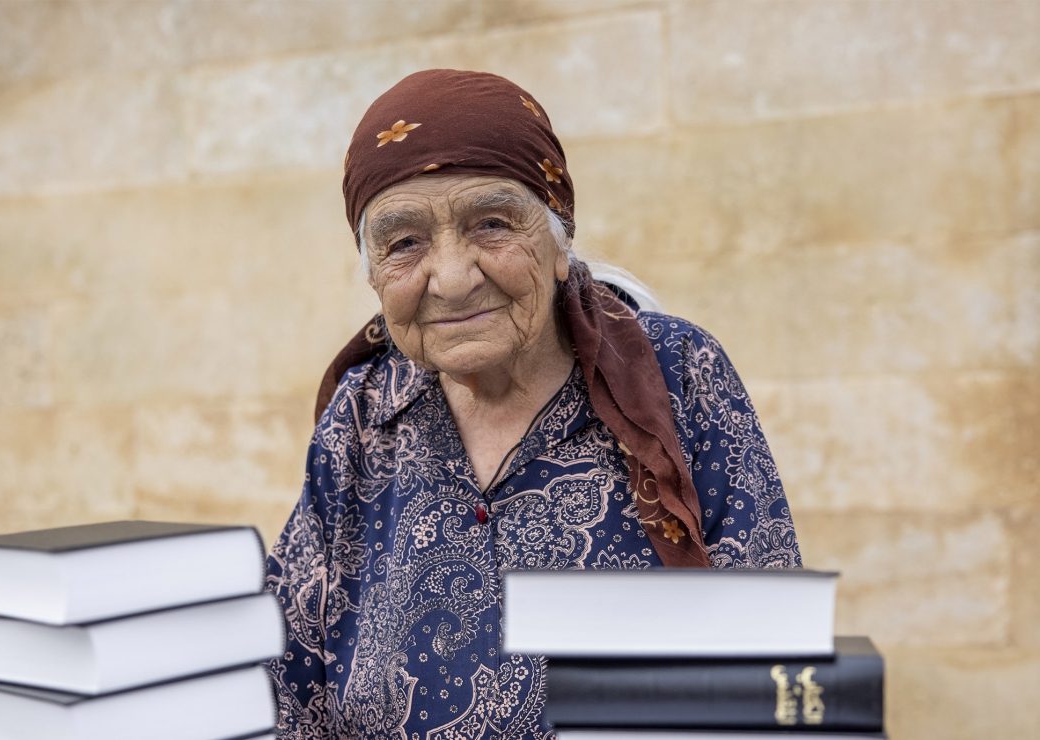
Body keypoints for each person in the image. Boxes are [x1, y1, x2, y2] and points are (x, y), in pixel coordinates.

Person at [266, 69, 801, 740]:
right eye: (404, 243)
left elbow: (772, 662)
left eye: (491, 225)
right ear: (373, 272)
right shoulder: (362, 415)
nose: (453, 279)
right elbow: (286, 687)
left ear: (558, 243)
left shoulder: (677, 374)